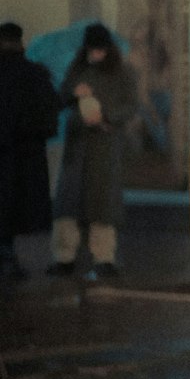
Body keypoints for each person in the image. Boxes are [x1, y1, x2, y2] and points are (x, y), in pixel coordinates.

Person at [50, 23, 139, 281]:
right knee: (68, 202)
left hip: (105, 143)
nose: (96, 54)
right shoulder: (78, 68)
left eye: (99, 50)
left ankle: (104, 257)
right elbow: (63, 95)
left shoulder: (123, 72)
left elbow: (131, 105)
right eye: (92, 49)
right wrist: (72, 93)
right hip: (78, 145)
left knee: (103, 202)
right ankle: (64, 256)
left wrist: (107, 117)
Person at [0, 23, 59, 281]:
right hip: (26, 156)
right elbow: (50, 114)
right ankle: (9, 257)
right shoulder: (35, 74)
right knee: (18, 208)